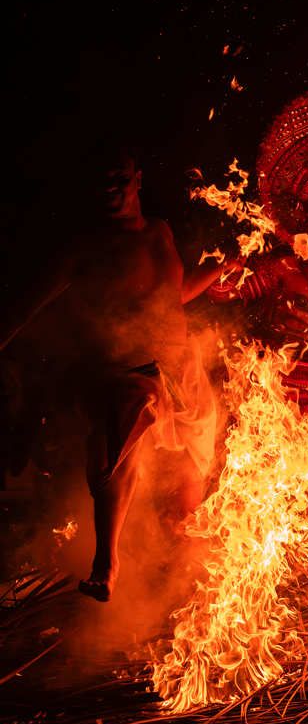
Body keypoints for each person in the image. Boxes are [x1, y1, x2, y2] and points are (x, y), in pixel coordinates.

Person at [0, 146, 224, 601]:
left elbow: (171, 296)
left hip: (181, 373)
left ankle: (189, 573)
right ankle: (107, 560)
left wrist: (224, 268)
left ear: (138, 179)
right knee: (125, 427)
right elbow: (25, 307)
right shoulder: (85, 248)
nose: (111, 189)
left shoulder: (160, 232)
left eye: (119, 179)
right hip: (126, 372)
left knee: (191, 477)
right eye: (102, 182)